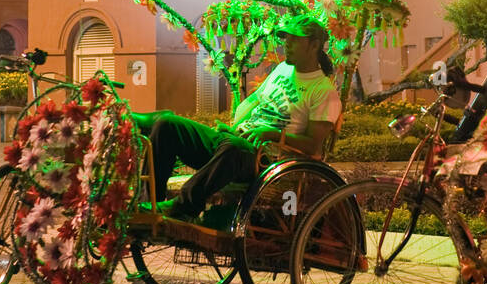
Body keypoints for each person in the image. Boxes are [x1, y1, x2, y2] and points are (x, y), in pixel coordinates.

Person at [135, 14, 342, 222]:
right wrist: (234, 127)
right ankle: (149, 205)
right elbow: (254, 101)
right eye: (285, 39)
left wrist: (272, 134)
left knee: (234, 148)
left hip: (266, 161)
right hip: (238, 143)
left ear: (314, 45)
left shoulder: (323, 92)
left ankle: (182, 207)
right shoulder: (283, 69)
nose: (286, 44)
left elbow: (313, 146)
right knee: (167, 126)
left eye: (294, 40)